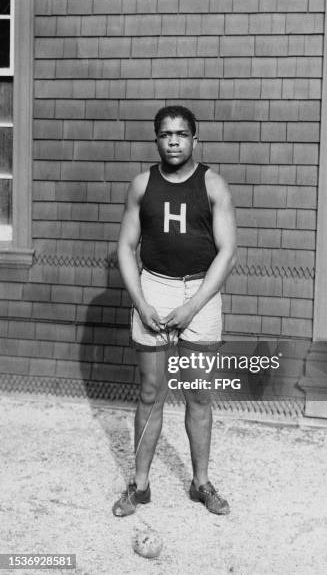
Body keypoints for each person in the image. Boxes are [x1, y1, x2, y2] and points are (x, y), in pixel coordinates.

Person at [114, 105, 237, 517]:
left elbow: (228, 252)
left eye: (181, 134)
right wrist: (142, 302)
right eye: (165, 134)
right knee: (151, 392)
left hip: (200, 293)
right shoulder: (142, 185)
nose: (173, 141)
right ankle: (140, 485)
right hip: (155, 288)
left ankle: (201, 483)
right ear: (156, 139)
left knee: (199, 394)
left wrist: (193, 305)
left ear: (194, 139)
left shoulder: (214, 185)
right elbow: (125, 248)